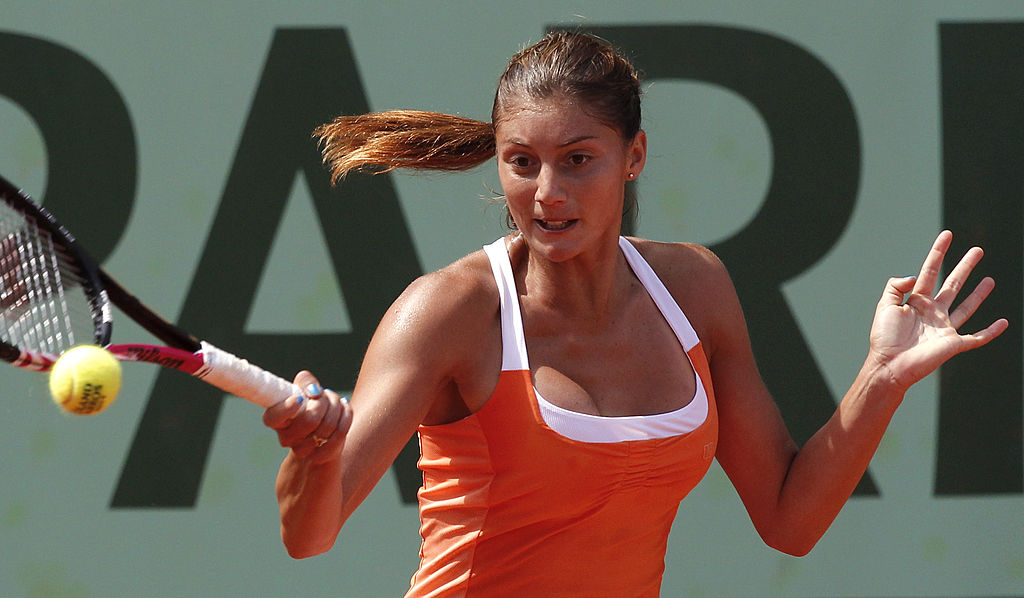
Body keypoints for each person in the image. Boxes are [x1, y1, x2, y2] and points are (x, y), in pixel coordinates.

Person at [262, 31, 1007, 596]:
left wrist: (883, 375)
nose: (547, 192)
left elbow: (790, 519)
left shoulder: (694, 289)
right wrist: (313, 458)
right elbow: (308, 536)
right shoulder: (449, 313)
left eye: (577, 159)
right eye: (522, 161)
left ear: (634, 156)